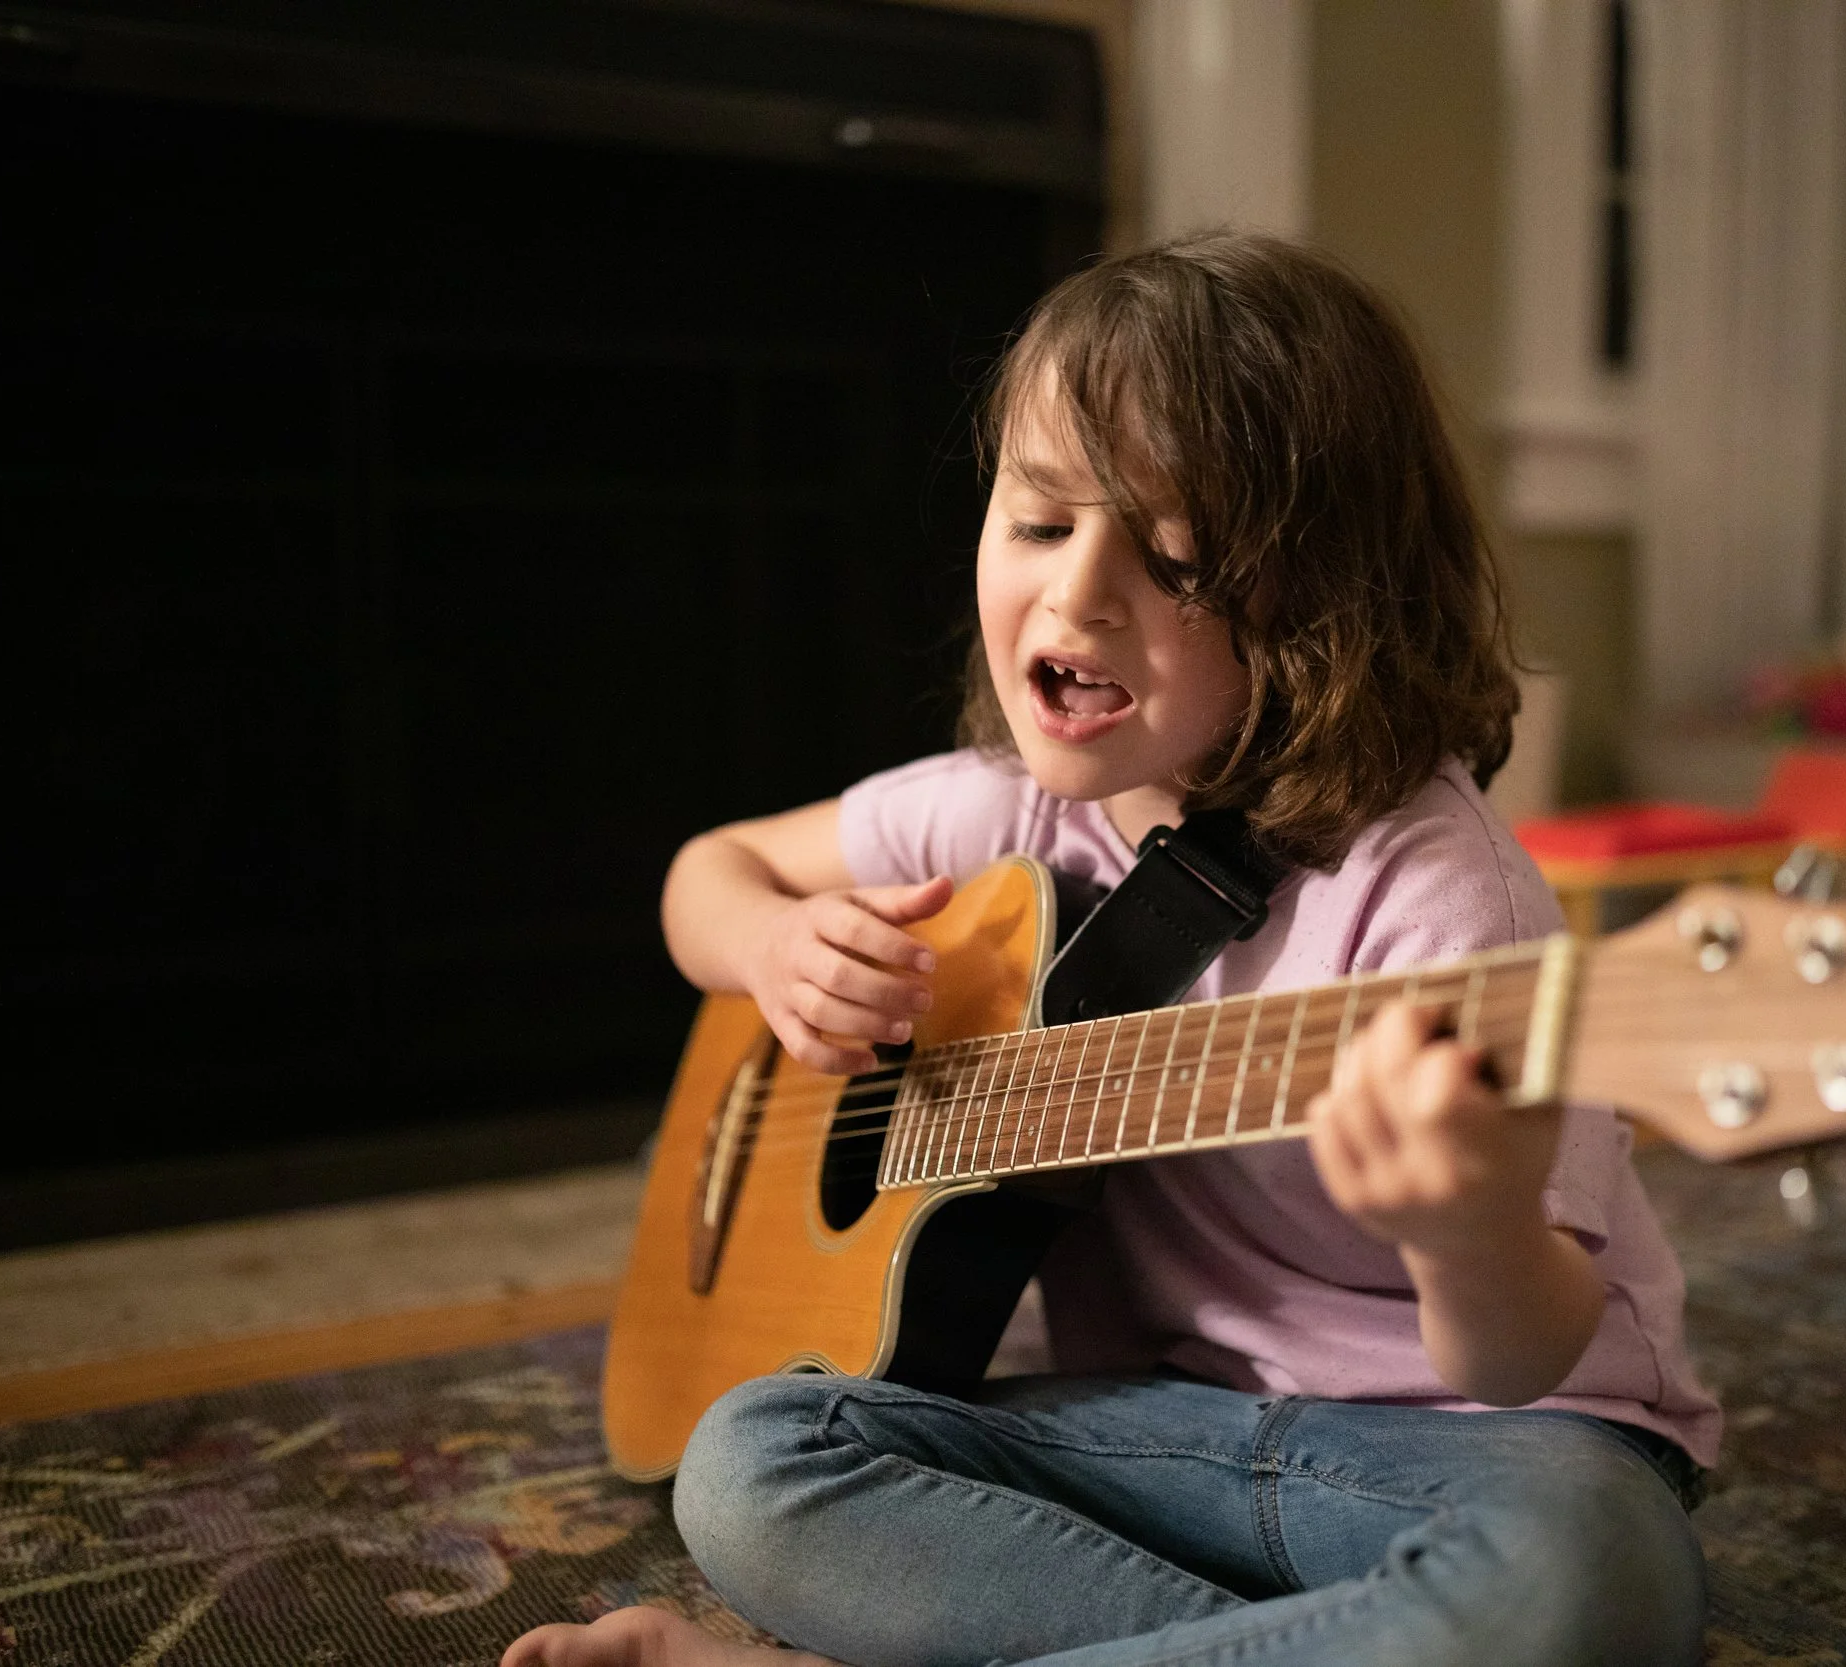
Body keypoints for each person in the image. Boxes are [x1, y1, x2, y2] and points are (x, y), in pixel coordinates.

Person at [504, 232, 1720, 1667]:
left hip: (1477, 1453)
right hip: (1162, 1437)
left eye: (1175, 557)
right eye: (1038, 521)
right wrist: (772, 944)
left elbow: (1520, 1356)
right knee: (751, 1461)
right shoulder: (1003, 818)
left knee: (1588, 1581)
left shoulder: (1448, 904)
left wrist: (1469, 1232)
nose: (1078, 595)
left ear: (1328, 608)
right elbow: (706, 873)